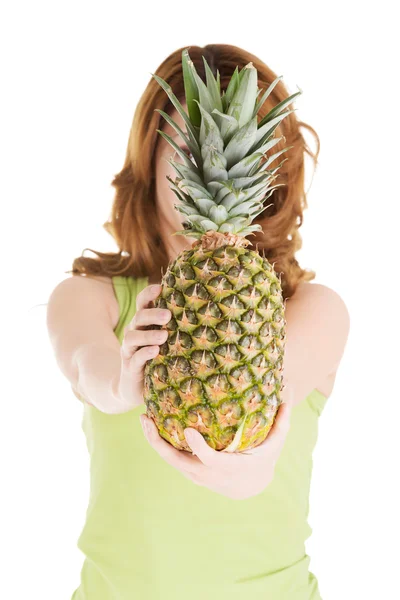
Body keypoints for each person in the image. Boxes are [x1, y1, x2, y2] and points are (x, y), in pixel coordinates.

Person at [46, 43, 350, 600]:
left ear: (268, 171)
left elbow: (265, 396)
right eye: (186, 144)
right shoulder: (89, 297)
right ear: (151, 151)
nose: (199, 166)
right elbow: (86, 365)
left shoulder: (312, 309)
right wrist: (119, 383)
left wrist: (249, 468)